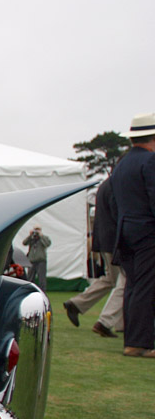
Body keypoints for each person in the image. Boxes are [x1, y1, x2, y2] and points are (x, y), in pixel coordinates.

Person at [108, 112, 155, 358]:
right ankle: (143, 342)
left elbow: (114, 203)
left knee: (134, 286)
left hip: (125, 231)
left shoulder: (122, 164)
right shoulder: (150, 161)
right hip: (147, 232)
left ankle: (133, 340)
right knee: (147, 287)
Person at [63, 179, 124, 338]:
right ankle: (106, 321)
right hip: (115, 241)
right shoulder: (118, 185)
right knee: (125, 281)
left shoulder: (105, 185)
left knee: (112, 279)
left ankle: (77, 304)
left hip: (105, 240)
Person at [22, 225, 51, 291]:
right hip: (31, 261)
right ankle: (29, 291)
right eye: (35, 229)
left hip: (41, 261)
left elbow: (47, 244)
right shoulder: (32, 238)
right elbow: (24, 243)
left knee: (42, 278)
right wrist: (30, 236)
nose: (36, 231)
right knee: (30, 278)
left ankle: (42, 291)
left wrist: (41, 236)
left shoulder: (44, 238)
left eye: (38, 229)